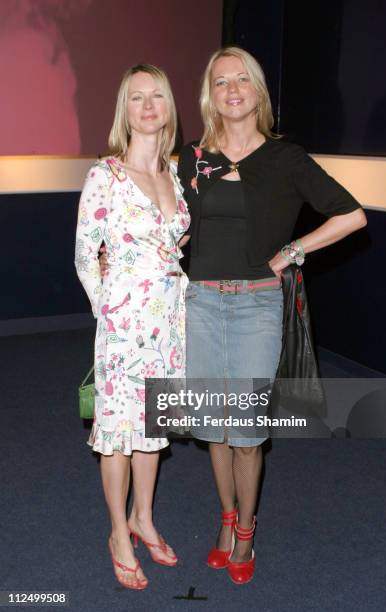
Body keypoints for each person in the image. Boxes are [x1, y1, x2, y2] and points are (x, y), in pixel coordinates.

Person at [176, 46, 367, 585]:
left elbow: (350, 215)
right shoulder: (194, 158)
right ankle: (226, 517)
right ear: (209, 95)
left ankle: (245, 534)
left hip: (258, 303)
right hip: (201, 303)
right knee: (214, 425)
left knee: (247, 430)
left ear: (258, 91)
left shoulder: (285, 159)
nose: (232, 89)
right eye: (220, 82)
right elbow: (181, 229)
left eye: (242, 79)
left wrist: (292, 252)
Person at [75, 64, 190, 590]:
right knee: (118, 436)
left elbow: (173, 243)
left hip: (168, 323)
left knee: (151, 430)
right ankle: (118, 531)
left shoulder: (173, 171)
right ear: (125, 110)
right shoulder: (107, 174)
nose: (148, 105)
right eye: (137, 97)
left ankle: (144, 517)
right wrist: (110, 311)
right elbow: (83, 255)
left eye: (157, 96)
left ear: (168, 107)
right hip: (124, 328)